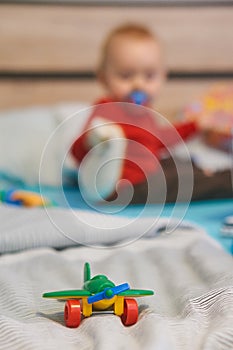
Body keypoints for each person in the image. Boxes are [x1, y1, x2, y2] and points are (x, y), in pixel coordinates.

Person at [71, 24, 232, 204]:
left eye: (149, 76)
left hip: (146, 173)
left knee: (178, 161)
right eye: (125, 76)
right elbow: (76, 152)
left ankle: (203, 172)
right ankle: (222, 181)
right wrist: (92, 141)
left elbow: (160, 140)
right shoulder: (107, 109)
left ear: (163, 76)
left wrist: (193, 126)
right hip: (125, 187)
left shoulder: (144, 113)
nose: (138, 84)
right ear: (103, 78)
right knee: (186, 183)